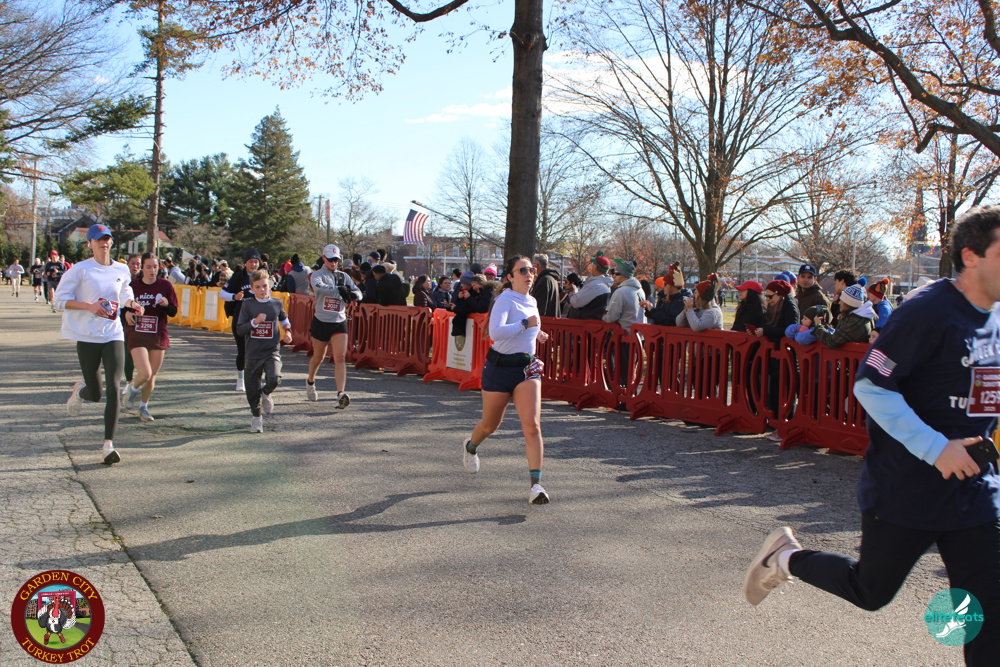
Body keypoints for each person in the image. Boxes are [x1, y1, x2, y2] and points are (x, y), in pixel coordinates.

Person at [744, 205, 1000, 666]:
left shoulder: (995, 315)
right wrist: (936, 448)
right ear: (972, 256)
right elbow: (870, 385)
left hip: (975, 491)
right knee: (871, 590)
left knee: (988, 612)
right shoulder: (928, 311)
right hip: (909, 488)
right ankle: (786, 558)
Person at [461, 255, 552, 504]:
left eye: (531, 270)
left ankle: (536, 486)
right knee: (490, 425)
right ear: (510, 277)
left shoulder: (532, 300)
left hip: (526, 369)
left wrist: (538, 333)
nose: (529, 274)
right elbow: (496, 333)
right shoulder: (504, 299)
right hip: (499, 369)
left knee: (532, 426)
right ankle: (471, 447)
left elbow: (529, 327)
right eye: (522, 270)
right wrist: (525, 323)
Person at [57, 224, 144, 465]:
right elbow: (59, 300)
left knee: (114, 387)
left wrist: (132, 304)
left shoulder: (121, 269)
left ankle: (108, 445)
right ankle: (80, 391)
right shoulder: (80, 270)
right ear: (90, 244)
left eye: (107, 239)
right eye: (98, 240)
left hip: (112, 333)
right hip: (87, 336)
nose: (103, 243)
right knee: (95, 394)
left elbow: (124, 293)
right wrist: (89, 306)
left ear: (111, 242)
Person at [120, 253, 178, 421]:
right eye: (148, 267)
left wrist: (166, 305)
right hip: (137, 331)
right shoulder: (133, 286)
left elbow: (173, 311)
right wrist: (126, 314)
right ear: (142, 268)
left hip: (158, 332)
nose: (152, 270)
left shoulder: (165, 285)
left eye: (155, 267)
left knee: (152, 376)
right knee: (145, 372)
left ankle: (143, 407)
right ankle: (133, 388)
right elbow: (122, 306)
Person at [235, 268, 292, 432]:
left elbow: (284, 319)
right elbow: (240, 329)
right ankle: (256, 417)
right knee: (252, 390)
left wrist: (288, 331)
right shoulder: (247, 305)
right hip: (253, 353)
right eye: (258, 287)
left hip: (271, 350)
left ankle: (266, 393)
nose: (262, 290)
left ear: (270, 285)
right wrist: (254, 322)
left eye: (265, 286)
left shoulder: (276, 303)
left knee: (275, 377)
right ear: (252, 289)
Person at [306, 244, 361, 408]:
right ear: (324, 258)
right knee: (318, 357)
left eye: (336, 260)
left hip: (339, 321)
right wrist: (338, 289)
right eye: (330, 260)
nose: (333, 263)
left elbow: (359, 292)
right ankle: (310, 382)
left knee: (340, 357)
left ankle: (340, 394)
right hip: (322, 321)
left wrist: (352, 294)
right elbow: (318, 287)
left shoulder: (343, 276)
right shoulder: (317, 275)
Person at [221, 248, 262, 391]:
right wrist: (234, 297)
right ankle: (240, 379)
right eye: (251, 262)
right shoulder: (238, 277)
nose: (253, 264)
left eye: (256, 262)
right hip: (241, 319)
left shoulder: (262, 276)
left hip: (258, 319)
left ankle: (256, 379)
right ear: (244, 263)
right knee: (243, 350)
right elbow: (222, 294)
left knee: (258, 351)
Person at [811, 284, 875, 349]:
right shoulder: (864, 315)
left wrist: (818, 326)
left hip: (852, 354)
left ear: (848, 303)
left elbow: (831, 342)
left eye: (842, 300)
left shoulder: (853, 321)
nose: (839, 303)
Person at [567, 251, 613, 320]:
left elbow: (576, 302)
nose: (592, 265)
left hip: (583, 323)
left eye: (593, 264)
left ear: (596, 267)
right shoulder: (604, 284)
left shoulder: (595, 285)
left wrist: (572, 295)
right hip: (591, 323)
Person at [645, 262, 689, 327]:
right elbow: (662, 311)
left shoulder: (682, 301)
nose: (663, 287)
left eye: (665, 284)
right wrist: (649, 308)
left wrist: (651, 310)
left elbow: (669, 320)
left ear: (672, 286)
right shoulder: (672, 299)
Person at [529, 253, 561, 318]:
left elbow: (540, 306)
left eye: (533, 265)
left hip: (545, 321)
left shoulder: (544, 280)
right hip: (552, 320)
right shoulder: (551, 279)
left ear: (537, 265)